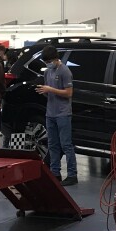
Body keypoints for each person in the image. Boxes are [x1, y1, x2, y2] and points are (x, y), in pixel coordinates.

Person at [36, 45, 77, 186]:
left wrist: (50, 89)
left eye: (48, 61)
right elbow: (50, 91)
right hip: (50, 113)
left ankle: (72, 174)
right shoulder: (47, 72)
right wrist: (44, 90)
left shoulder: (65, 71)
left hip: (63, 113)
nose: (47, 64)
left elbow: (68, 93)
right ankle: (55, 173)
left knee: (66, 145)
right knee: (52, 144)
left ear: (54, 59)